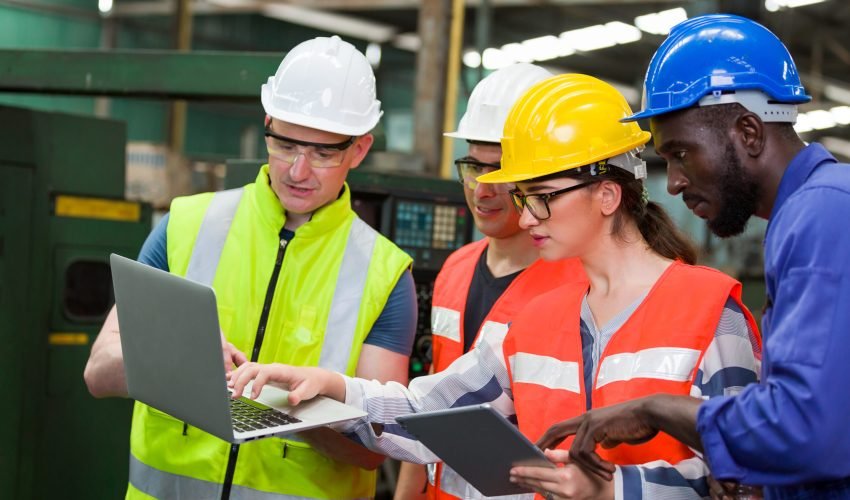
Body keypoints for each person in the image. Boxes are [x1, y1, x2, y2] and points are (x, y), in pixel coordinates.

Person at [228, 73, 762, 499]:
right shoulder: (531, 319)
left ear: (606, 194)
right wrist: (331, 387)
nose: (525, 214)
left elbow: (750, 475)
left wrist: (613, 490)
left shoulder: (710, 313)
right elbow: (429, 414)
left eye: (541, 194)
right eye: (522, 194)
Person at [83, 35, 416, 499]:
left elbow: (376, 450)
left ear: (359, 150)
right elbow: (98, 372)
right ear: (267, 123)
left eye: (323, 153)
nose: (298, 171)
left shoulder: (386, 275)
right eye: (284, 144)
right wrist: (178, 366)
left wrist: (287, 409)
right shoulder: (184, 225)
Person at [535, 14, 850, 499]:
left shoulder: (822, 214)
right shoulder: (810, 212)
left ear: (748, 132)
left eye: (681, 153)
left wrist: (655, 410)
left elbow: (806, 428)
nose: (675, 181)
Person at [394, 63, 587, 500]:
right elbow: (429, 408)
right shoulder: (456, 269)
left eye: (500, 173)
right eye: (472, 167)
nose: (482, 189)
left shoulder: (580, 287)